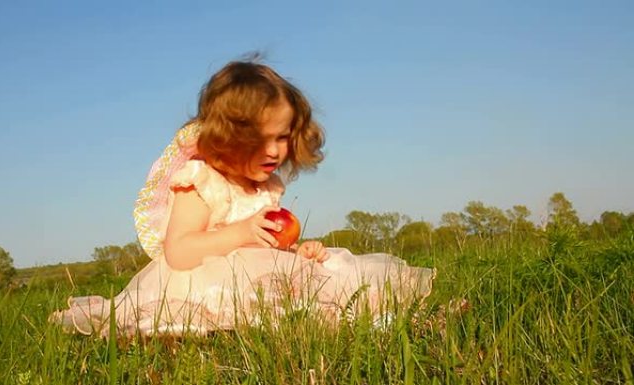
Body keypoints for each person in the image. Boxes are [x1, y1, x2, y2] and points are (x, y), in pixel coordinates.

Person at [50, 59, 435, 337]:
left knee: (329, 272)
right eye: (260, 139)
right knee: (218, 312)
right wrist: (239, 233)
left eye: (282, 137)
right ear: (225, 138)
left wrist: (296, 252)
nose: (273, 151)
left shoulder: (267, 189)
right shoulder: (201, 182)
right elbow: (179, 253)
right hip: (203, 282)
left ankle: (388, 321)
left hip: (257, 278)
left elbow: (267, 250)